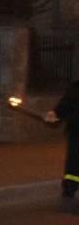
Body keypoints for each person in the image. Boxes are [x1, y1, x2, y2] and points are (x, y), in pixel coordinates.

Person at [44, 78, 79, 212]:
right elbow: (64, 106)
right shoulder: (75, 88)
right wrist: (54, 114)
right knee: (73, 165)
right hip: (76, 133)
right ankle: (69, 193)